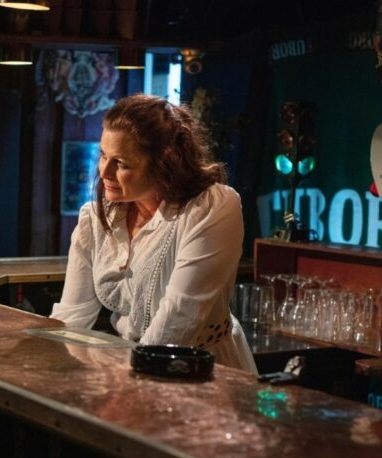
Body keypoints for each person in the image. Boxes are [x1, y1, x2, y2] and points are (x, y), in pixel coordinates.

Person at [50, 94, 257, 373]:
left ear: (164, 164)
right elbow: (72, 318)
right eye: (103, 156)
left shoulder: (211, 207)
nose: (104, 171)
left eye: (121, 163)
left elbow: (179, 318)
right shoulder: (96, 218)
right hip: (129, 367)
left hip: (201, 371)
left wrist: (127, 380)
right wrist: (48, 368)